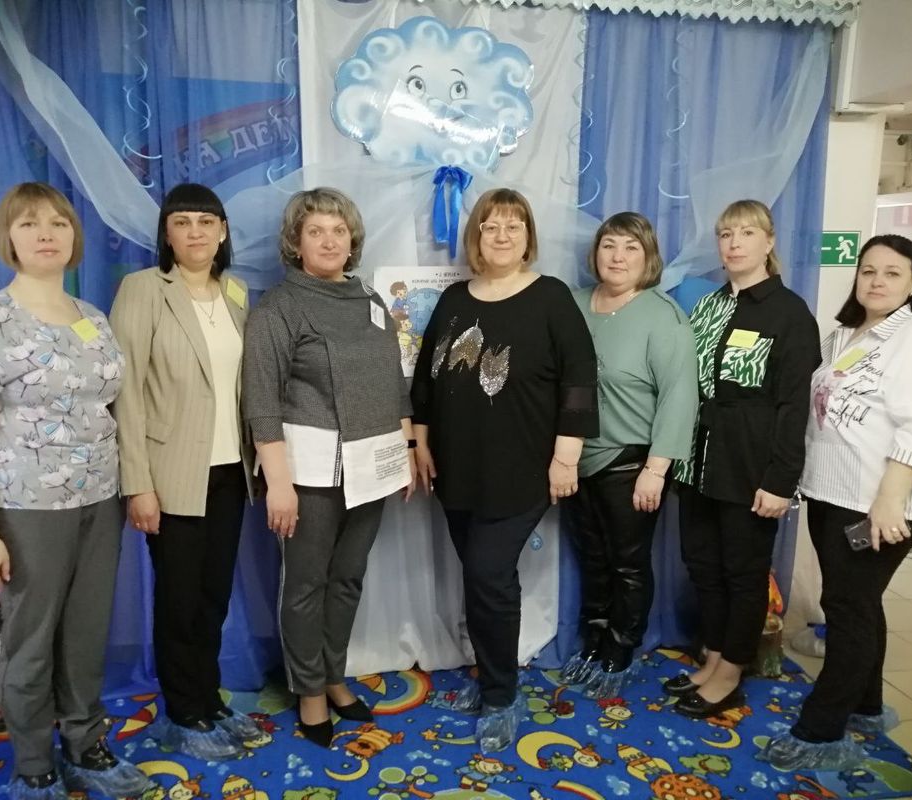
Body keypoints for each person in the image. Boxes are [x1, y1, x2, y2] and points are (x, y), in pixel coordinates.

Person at [0, 183, 151, 800]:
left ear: (74, 237)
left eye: (58, 222)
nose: (46, 233)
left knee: (85, 633)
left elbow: (113, 408)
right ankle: (34, 763)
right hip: (27, 509)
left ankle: (86, 743)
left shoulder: (93, 319)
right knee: (31, 642)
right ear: (8, 237)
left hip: (100, 502)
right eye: (29, 223)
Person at [761, 235, 912, 770]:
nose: (877, 281)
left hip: (882, 502)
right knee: (857, 602)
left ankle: (821, 732)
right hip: (833, 493)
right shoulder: (847, 333)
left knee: (848, 608)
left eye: (893, 273)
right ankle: (866, 706)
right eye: (868, 270)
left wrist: (889, 501)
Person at [411, 188, 598, 752]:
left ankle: (500, 695)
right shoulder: (454, 299)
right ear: (476, 237)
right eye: (491, 226)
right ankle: (492, 678)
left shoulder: (551, 297)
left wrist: (566, 457)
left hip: (522, 470)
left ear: (528, 237)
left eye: (513, 226)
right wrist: (421, 442)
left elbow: (579, 380)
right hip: (457, 469)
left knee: (489, 576)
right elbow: (426, 380)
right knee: (479, 577)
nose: (501, 235)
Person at [242, 187, 415, 748]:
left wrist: (405, 450)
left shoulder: (368, 298)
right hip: (310, 472)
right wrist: (278, 483)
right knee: (306, 585)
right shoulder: (279, 307)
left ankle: (334, 675)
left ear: (352, 239)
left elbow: (394, 379)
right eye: (315, 231)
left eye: (338, 230)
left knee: (347, 578)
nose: (329, 240)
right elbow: (261, 402)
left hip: (373, 463)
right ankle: (309, 690)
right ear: (296, 242)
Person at [111, 183, 258, 761]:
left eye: (205, 221)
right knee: (178, 599)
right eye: (182, 222)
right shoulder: (144, 289)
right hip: (171, 473)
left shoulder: (236, 293)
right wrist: (138, 484)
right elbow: (125, 392)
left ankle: (207, 697)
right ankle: (183, 711)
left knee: (213, 595)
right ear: (166, 234)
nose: (195, 231)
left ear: (222, 231)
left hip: (230, 471)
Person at [668, 199, 820, 718]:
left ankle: (732, 671)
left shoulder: (789, 313)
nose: (734, 244)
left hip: (752, 463)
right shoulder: (708, 305)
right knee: (703, 565)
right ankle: (713, 656)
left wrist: (780, 480)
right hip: (698, 460)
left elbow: (794, 406)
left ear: (769, 242)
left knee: (743, 572)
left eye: (747, 233)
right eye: (725, 234)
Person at [560, 212, 698, 698]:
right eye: (609, 245)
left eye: (631, 248)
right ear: (595, 253)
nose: (617, 257)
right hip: (575, 458)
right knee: (591, 557)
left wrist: (656, 469)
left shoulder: (663, 317)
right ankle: (593, 639)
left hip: (631, 462)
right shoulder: (573, 304)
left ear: (648, 258)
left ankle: (621, 648)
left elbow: (680, 396)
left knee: (627, 563)